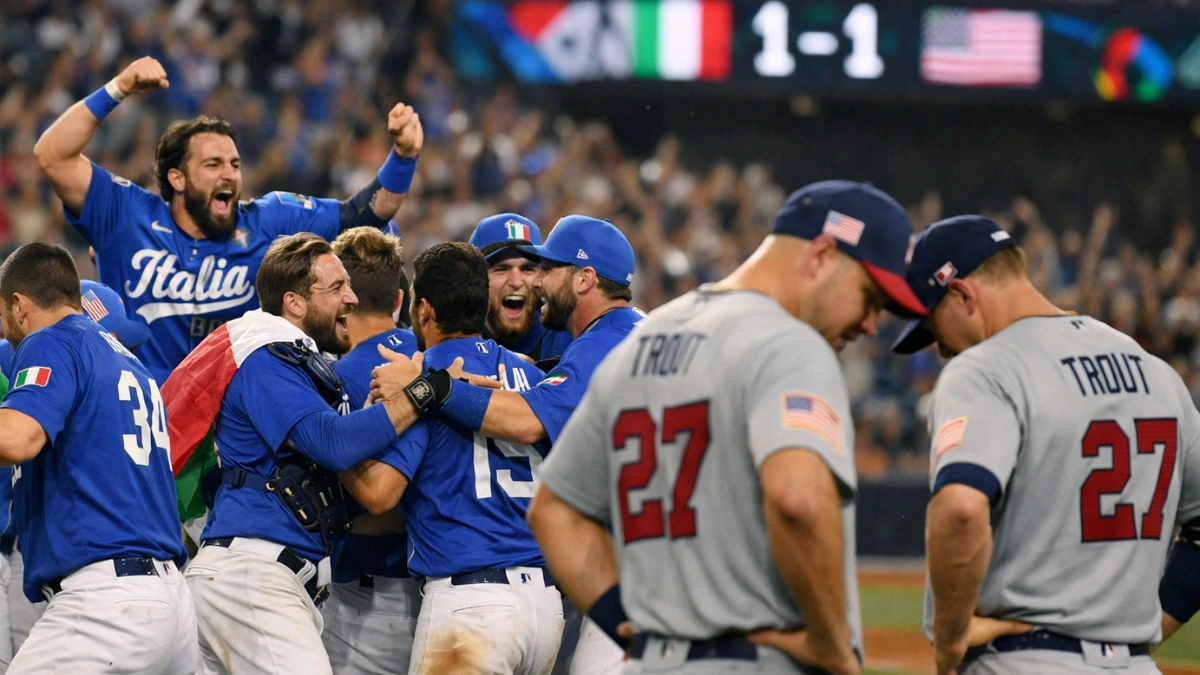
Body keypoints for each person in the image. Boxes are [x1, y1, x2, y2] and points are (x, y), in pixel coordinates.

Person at [526, 181, 929, 675]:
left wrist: (626, 625)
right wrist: (832, 646)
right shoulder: (790, 344)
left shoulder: (644, 336)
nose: (871, 324)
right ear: (823, 255)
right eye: (870, 296)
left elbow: (551, 514)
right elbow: (797, 500)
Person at [890, 215, 1200, 675]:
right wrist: (1150, 626)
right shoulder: (1154, 371)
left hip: (1023, 661)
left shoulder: (983, 369)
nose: (940, 349)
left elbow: (960, 509)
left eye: (935, 327)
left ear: (962, 295)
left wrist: (950, 641)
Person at [33, 56, 424, 383]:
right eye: (213, 164)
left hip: (231, 431)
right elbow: (52, 154)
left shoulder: (269, 221)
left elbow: (365, 214)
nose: (230, 174)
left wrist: (404, 158)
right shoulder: (126, 217)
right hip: (142, 419)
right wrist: (118, 88)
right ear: (177, 178)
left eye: (235, 164)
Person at [178, 233, 425, 675]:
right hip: (252, 577)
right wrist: (425, 393)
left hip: (262, 577)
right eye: (336, 289)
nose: (351, 297)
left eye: (348, 284)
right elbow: (335, 444)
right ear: (293, 302)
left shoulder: (299, 361)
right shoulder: (265, 358)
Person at [340, 242, 564, 675]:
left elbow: (381, 493)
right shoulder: (531, 373)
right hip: (543, 606)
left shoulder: (421, 375)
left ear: (423, 309)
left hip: (472, 604)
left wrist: (332, 438)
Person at [0, 242, 196, 673]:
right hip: (172, 605)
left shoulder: (49, 340)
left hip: (107, 604)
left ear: (18, 304)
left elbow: (18, 439)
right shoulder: (130, 363)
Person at [0, 279, 150, 664]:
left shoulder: (52, 348)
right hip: (139, 586)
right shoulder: (137, 374)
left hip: (90, 582)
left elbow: (17, 441)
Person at [323, 226, 421, 674]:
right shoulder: (435, 360)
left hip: (363, 596)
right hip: (441, 587)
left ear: (345, 299)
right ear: (400, 301)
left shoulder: (331, 377)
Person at [468, 213, 572, 364]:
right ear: (475, 279)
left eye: (528, 269)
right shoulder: (449, 338)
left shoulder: (567, 339)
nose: (516, 282)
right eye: (501, 269)